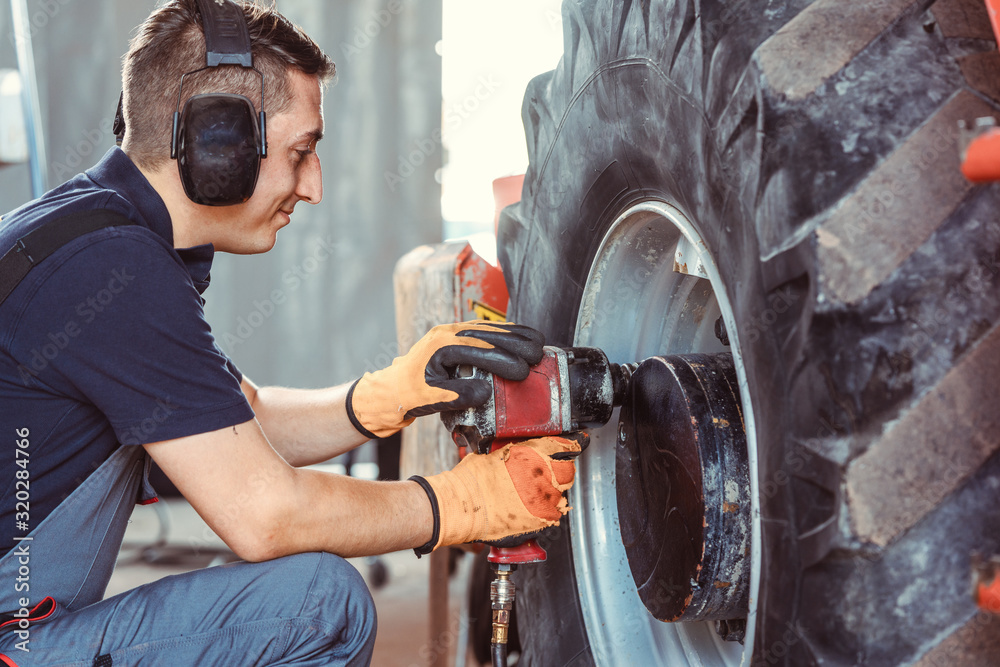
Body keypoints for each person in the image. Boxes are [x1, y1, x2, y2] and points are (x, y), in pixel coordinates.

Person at [0, 1, 581, 665]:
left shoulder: (93, 235)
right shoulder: (114, 269)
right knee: (316, 604)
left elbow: (242, 423)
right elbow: (267, 516)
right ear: (216, 140)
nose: (314, 187)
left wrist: (389, 395)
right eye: (302, 152)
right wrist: (460, 503)